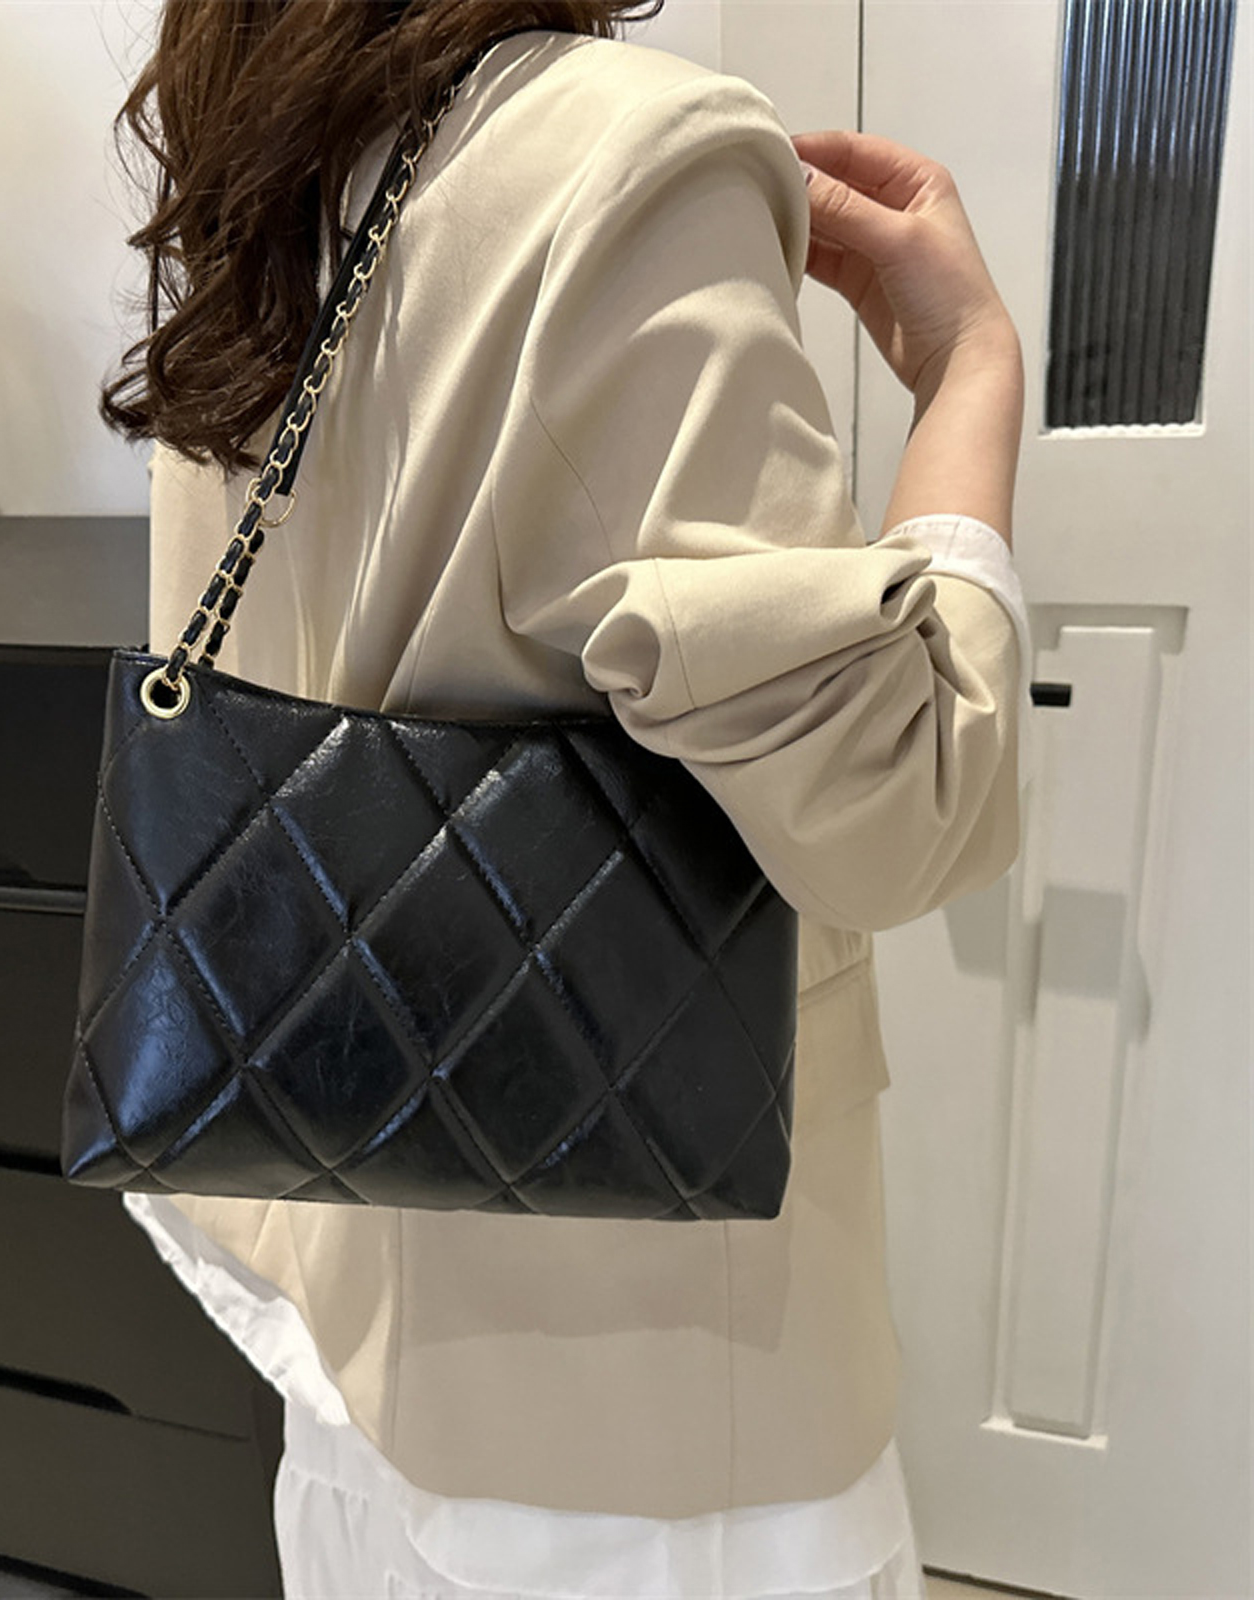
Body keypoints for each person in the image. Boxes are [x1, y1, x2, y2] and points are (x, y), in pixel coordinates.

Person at [98, 4, 1028, 1596]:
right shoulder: (629, 153)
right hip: (646, 1403)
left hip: (348, 1295)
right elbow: (902, 803)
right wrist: (969, 373)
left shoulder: (265, 172)